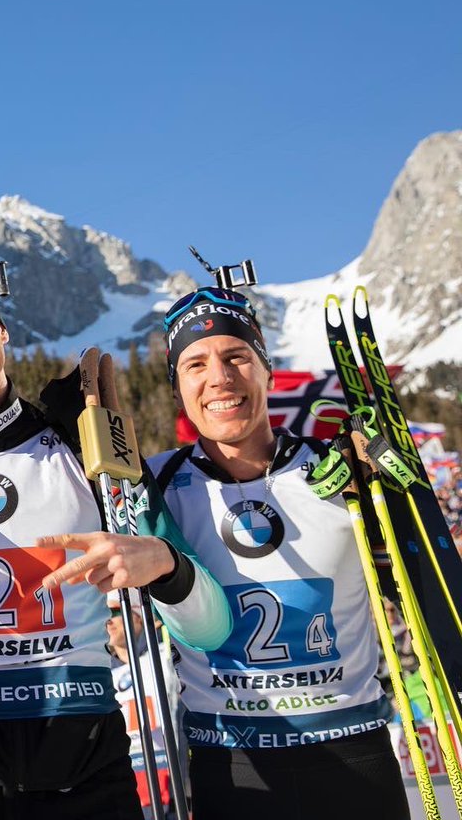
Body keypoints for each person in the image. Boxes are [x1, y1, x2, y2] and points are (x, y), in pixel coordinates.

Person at [0, 254, 232, 819]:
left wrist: (162, 562)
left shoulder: (86, 446)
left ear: (1, 326)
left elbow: (210, 629)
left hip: (88, 774)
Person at [146, 283, 409, 819]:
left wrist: (394, 485)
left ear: (267, 370)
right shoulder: (153, 483)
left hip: (355, 751)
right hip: (232, 765)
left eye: (237, 356)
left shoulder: (342, 469)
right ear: (178, 389)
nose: (220, 377)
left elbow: (414, 573)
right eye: (195, 364)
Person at [106, 593, 184, 819]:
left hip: (171, 784)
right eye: (106, 615)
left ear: (139, 618)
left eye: (116, 612)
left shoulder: (163, 656)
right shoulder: (103, 671)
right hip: (130, 786)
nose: (109, 621)